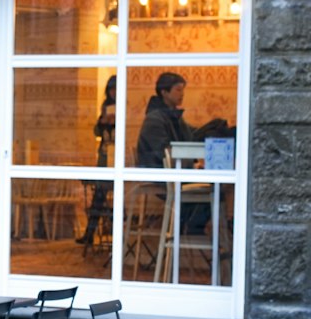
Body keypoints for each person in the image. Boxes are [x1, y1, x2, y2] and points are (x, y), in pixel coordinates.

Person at [136, 72, 228, 235]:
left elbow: (191, 136)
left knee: (218, 185)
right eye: (178, 90)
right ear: (164, 92)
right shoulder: (155, 119)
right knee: (217, 186)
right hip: (159, 173)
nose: (182, 94)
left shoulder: (172, 116)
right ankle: (192, 226)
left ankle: (189, 224)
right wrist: (193, 165)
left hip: (171, 171)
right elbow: (164, 152)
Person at [77, 75, 115, 246]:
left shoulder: (124, 107)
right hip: (105, 156)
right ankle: (90, 233)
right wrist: (102, 122)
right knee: (98, 198)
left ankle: (92, 234)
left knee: (104, 198)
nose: (114, 93)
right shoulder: (106, 107)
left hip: (115, 156)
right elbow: (97, 132)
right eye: (111, 90)